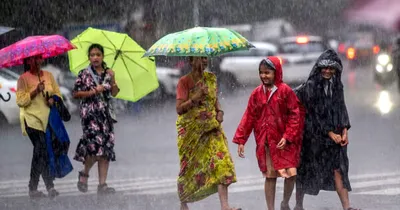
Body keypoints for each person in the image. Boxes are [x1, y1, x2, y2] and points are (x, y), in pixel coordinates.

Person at [233, 57, 302, 210]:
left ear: (276, 73)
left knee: (291, 174)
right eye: (261, 73)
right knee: (270, 177)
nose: (264, 76)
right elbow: (249, 117)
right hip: (267, 143)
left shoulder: (285, 91)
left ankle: (285, 202)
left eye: (268, 72)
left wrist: (288, 136)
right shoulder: (256, 94)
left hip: (285, 143)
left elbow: (295, 115)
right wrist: (241, 140)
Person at [294, 49, 359, 210]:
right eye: (325, 67)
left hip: (335, 135)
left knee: (339, 169)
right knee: (305, 170)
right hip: (313, 137)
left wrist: (344, 131)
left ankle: (347, 207)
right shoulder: (311, 86)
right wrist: (330, 133)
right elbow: (314, 114)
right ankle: (298, 205)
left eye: (331, 68)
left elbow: (341, 108)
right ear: (319, 68)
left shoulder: (337, 85)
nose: (328, 71)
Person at [175, 56, 240, 210]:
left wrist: (220, 111)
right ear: (191, 61)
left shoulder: (211, 78)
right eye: (200, 58)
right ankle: (184, 204)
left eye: (206, 58)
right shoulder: (184, 82)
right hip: (192, 132)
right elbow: (179, 109)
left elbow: (214, 100)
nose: (204, 61)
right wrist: (195, 98)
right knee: (190, 167)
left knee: (222, 162)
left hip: (212, 128)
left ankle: (225, 206)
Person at [73, 43, 120, 195]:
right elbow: (76, 93)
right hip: (90, 116)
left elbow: (115, 93)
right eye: (92, 55)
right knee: (94, 148)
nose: (95, 58)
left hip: (105, 116)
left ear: (102, 56)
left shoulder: (108, 72)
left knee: (105, 150)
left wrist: (112, 79)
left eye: (98, 55)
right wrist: (93, 91)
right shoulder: (84, 73)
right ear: (89, 57)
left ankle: (102, 185)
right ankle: (85, 173)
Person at [16, 55, 61, 199]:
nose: (36, 61)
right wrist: (35, 91)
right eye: (33, 59)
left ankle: (38, 188)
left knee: (42, 154)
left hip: (46, 120)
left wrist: (52, 99)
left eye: (39, 58)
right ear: (28, 61)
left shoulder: (48, 76)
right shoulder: (23, 79)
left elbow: (57, 93)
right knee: (41, 149)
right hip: (31, 120)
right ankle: (45, 187)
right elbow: (21, 101)